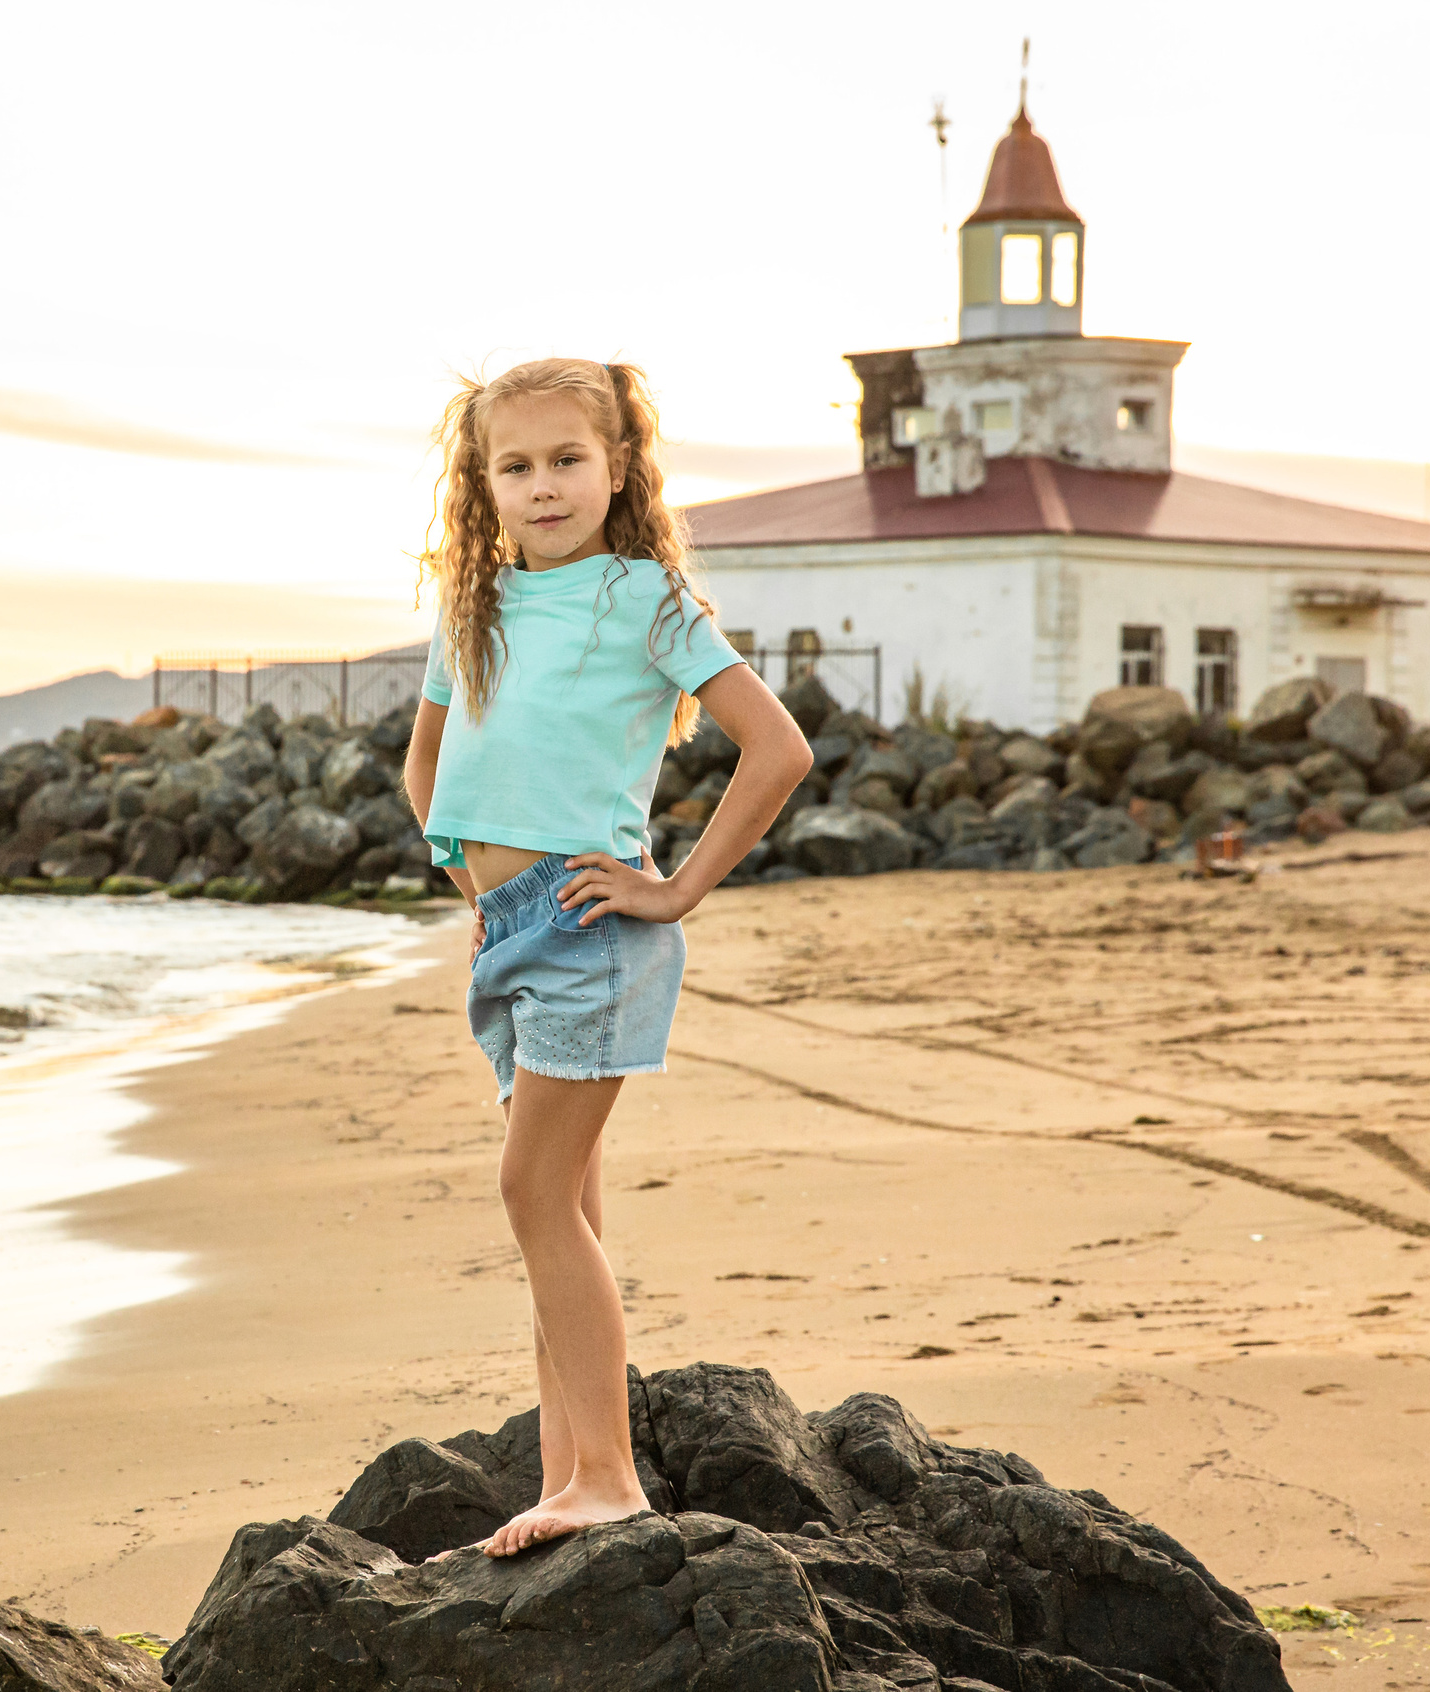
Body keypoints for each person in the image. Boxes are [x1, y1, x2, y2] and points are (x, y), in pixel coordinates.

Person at [401, 357, 813, 1557]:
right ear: (482, 484)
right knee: (561, 1208)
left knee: (532, 1196)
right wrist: (465, 873)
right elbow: (424, 766)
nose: (542, 486)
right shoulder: (469, 607)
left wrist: (673, 889)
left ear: (617, 469)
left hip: (594, 928)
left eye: (567, 460)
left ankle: (613, 1480)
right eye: (515, 466)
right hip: (511, 931)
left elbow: (774, 750)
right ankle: (564, 1471)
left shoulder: (646, 598)